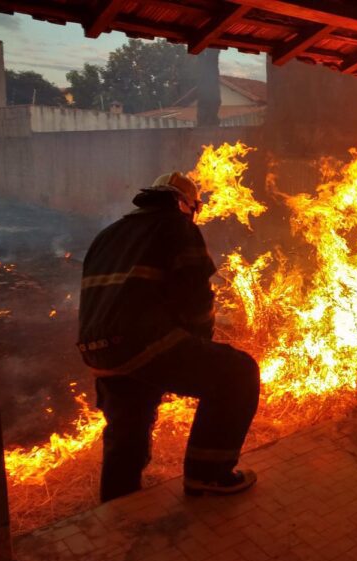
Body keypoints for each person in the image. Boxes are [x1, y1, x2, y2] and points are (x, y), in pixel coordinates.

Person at [78, 171, 260, 502]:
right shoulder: (176, 225)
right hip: (141, 340)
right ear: (185, 204)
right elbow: (195, 298)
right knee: (238, 373)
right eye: (195, 209)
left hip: (97, 350)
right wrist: (198, 347)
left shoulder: (107, 235)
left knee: (128, 430)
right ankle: (210, 477)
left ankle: (118, 506)